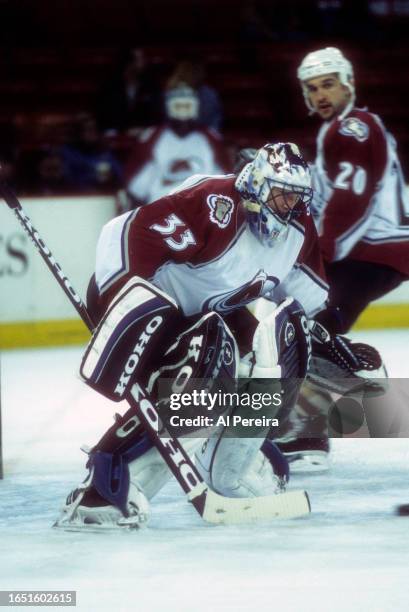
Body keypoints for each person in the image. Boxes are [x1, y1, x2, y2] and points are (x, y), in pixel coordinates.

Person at [54, 142, 383, 530]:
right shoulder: (215, 204)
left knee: (279, 338)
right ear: (258, 186)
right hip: (145, 310)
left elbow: (306, 307)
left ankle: (233, 465)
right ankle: (104, 486)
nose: (290, 208)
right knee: (212, 357)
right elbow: (122, 232)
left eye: (297, 198)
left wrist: (329, 344)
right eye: (282, 195)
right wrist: (126, 306)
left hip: (206, 318)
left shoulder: (297, 231)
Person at [276, 47, 409, 467]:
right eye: (313, 88)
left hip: (373, 251)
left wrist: (323, 257)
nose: (321, 94)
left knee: (307, 334)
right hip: (375, 253)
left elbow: (353, 202)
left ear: (349, 83)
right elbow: (331, 197)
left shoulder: (352, 127)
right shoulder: (339, 130)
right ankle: (308, 432)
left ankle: (317, 423)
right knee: (311, 335)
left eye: (329, 83)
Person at [122, 85, 231, 208]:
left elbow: (224, 181)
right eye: (178, 106)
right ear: (169, 108)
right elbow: (136, 188)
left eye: (187, 106)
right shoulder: (152, 137)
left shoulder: (211, 138)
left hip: (201, 208)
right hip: (161, 207)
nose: (183, 112)